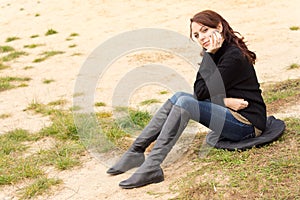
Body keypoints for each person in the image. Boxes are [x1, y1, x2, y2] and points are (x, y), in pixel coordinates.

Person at [106, 10, 267, 189]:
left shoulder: (233, 56)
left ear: (219, 27)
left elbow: (199, 94)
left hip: (248, 124)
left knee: (185, 102)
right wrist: (225, 101)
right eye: (197, 35)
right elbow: (199, 90)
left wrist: (209, 56)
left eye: (205, 30)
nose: (202, 38)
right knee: (179, 97)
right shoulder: (217, 52)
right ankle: (136, 151)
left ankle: (151, 167)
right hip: (229, 112)